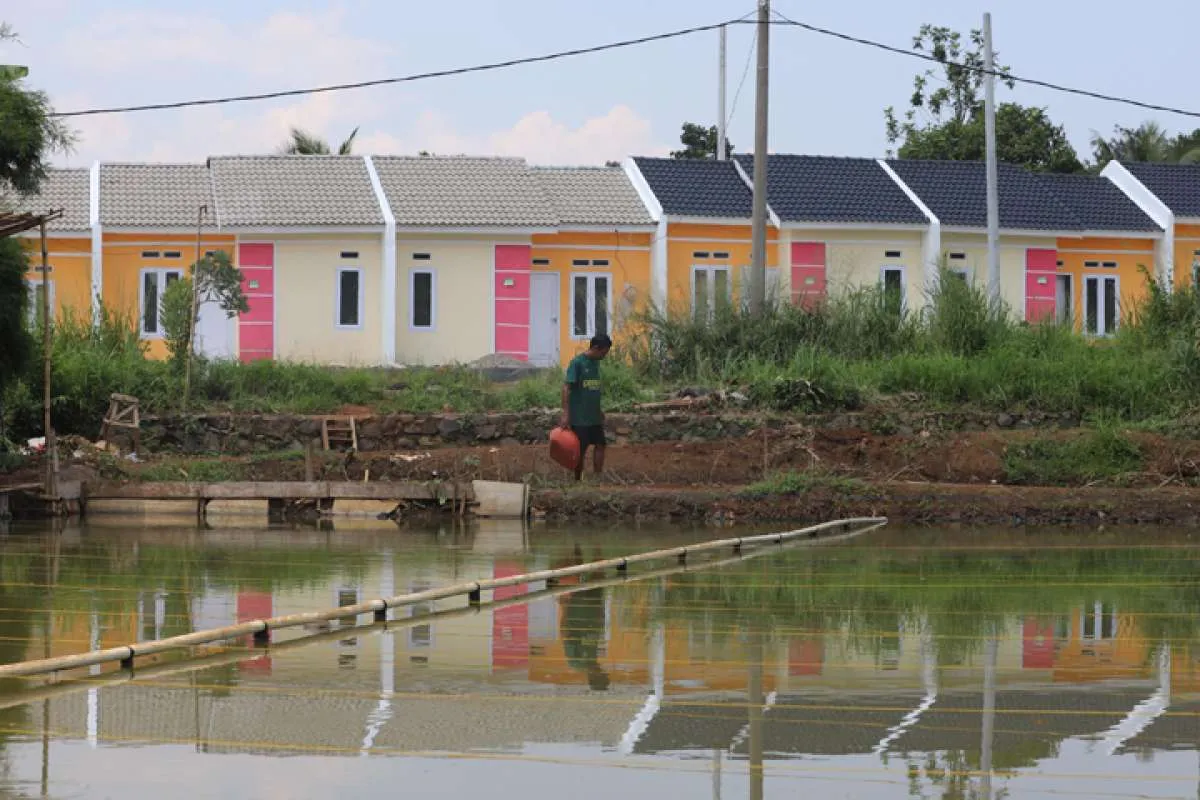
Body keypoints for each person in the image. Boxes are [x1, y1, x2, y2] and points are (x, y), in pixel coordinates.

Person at [560, 333, 611, 481]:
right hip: (580, 417)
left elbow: (592, 389)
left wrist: (599, 409)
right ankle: (577, 480)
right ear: (595, 348)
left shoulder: (596, 363)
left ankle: (597, 478)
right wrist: (565, 413)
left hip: (594, 416)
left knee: (600, 445)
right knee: (579, 450)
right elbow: (566, 388)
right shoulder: (577, 363)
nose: (604, 356)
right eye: (603, 352)